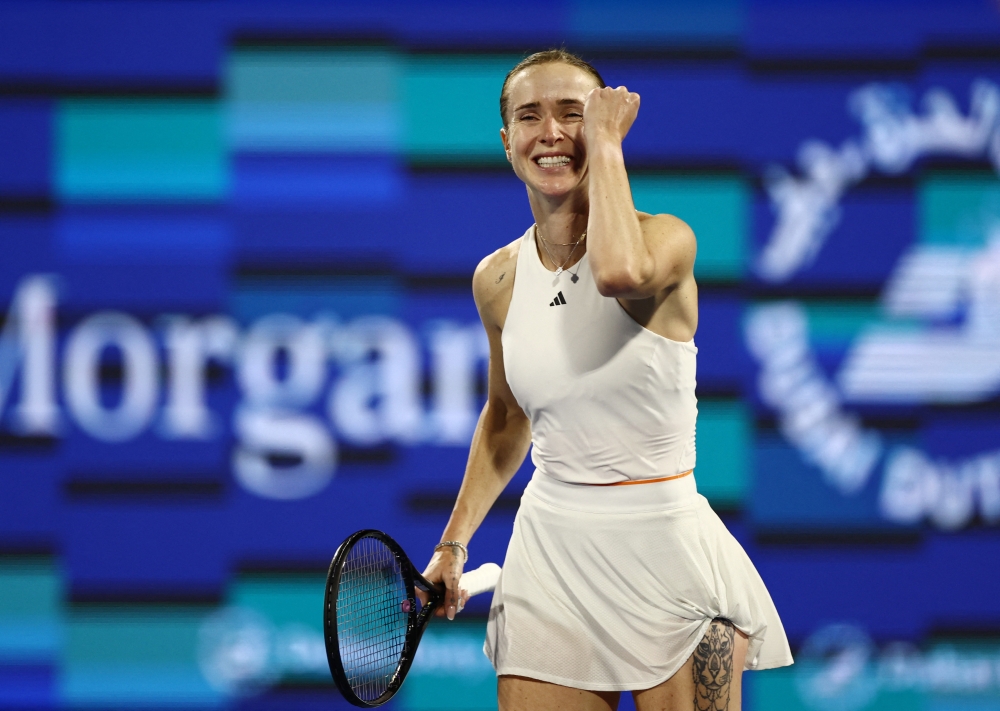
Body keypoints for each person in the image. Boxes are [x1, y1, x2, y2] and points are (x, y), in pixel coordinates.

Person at [422, 49, 793, 711]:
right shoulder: (497, 279)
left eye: (575, 113)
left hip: (667, 549)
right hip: (551, 553)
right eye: (530, 116)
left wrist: (607, 144)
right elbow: (506, 416)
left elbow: (617, 273)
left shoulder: (667, 240)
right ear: (508, 143)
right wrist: (454, 543)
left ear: (607, 128)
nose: (553, 132)